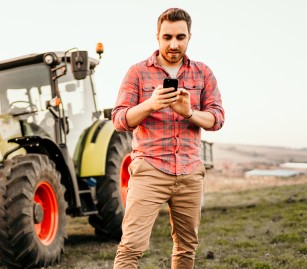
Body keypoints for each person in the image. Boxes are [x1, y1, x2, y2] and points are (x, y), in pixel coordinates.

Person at [111, 7, 225, 269]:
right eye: (167, 37)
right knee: (131, 247)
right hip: (150, 169)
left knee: (186, 249)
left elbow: (217, 118)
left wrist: (190, 113)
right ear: (158, 36)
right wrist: (150, 105)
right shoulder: (137, 73)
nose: (174, 44)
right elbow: (119, 119)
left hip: (189, 172)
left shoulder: (203, 73)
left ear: (189, 37)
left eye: (180, 37)